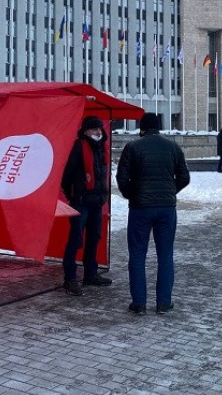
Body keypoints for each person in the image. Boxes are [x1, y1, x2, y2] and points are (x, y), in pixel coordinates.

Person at [116, 112, 190, 315]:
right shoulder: (173, 147)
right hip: (166, 209)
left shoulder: (132, 147)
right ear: (158, 127)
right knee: (165, 255)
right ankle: (164, 302)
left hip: (140, 209)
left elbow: (122, 178)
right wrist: (168, 191)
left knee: (138, 255)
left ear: (142, 128)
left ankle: (139, 303)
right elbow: (184, 177)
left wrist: (134, 194)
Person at [61, 116, 112, 296]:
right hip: (81, 203)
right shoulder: (78, 146)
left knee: (94, 238)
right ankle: (70, 278)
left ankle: (90, 273)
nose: (99, 132)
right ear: (85, 131)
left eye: (99, 128)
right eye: (94, 129)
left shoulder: (101, 148)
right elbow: (66, 176)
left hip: (96, 202)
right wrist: (73, 195)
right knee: (76, 240)